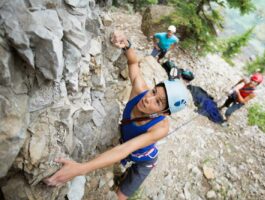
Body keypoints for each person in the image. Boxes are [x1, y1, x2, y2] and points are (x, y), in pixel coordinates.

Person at [44, 31, 189, 200]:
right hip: (127, 144)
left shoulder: (161, 128)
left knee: (120, 196)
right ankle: (121, 172)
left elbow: (124, 150)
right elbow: (133, 63)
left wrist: (80, 169)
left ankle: (124, 180)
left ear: (164, 112)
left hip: (144, 159)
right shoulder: (140, 92)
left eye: (157, 102)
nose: (148, 99)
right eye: (154, 91)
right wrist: (126, 44)